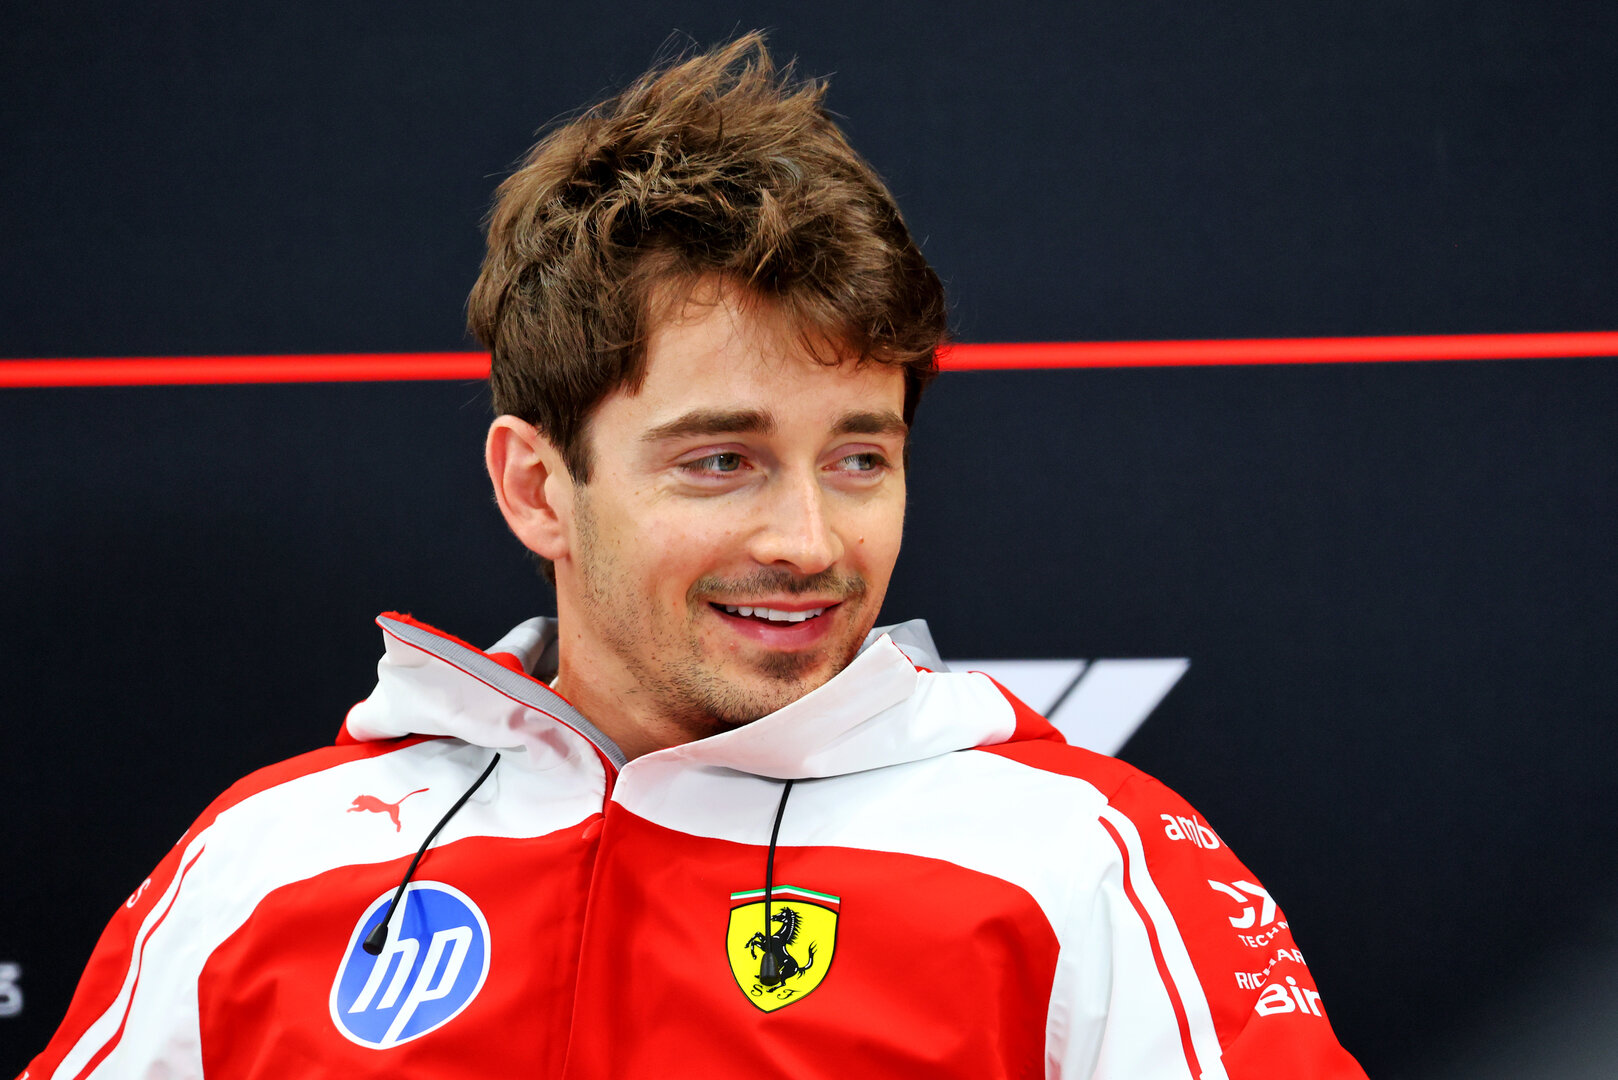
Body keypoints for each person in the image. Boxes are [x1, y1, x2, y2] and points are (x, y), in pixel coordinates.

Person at [24, 35, 1366, 1079]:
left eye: (858, 456)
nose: (807, 542)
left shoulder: (1082, 861)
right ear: (537, 488)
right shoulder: (266, 865)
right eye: (718, 460)